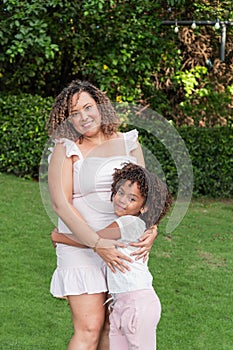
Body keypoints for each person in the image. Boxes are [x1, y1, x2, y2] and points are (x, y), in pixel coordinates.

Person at [46, 79, 158, 350]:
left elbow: (146, 195)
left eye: (88, 107)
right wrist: (96, 244)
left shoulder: (129, 142)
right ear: (67, 119)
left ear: (100, 106)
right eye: (75, 113)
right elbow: (62, 204)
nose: (84, 116)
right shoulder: (65, 149)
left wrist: (150, 227)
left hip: (120, 247)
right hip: (82, 247)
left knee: (114, 326)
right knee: (90, 327)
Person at [52, 162, 172, 349]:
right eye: (121, 192)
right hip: (121, 302)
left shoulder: (128, 224)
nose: (122, 200)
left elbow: (93, 239)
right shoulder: (133, 223)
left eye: (132, 199)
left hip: (136, 304)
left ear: (144, 207)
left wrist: (58, 236)